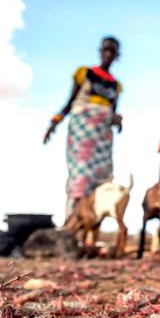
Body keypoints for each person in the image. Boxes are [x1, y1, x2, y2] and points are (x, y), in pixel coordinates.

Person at [43, 36, 123, 216]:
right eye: (106, 50)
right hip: (82, 131)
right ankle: (72, 219)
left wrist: (117, 121)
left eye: (113, 51)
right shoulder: (85, 73)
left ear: (117, 55)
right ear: (100, 51)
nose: (109, 54)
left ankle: (89, 227)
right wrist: (54, 122)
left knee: (101, 179)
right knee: (81, 174)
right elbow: (69, 101)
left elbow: (112, 112)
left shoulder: (116, 86)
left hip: (103, 137)